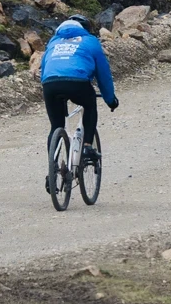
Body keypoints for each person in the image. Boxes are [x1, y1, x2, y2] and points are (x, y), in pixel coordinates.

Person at [39, 15, 116, 182]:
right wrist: (110, 100)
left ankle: (52, 170)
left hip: (50, 85)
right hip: (78, 83)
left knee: (56, 125)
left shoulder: (53, 42)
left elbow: (44, 69)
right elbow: (103, 74)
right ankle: (88, 147)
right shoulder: (90, 41)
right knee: (89, 106)